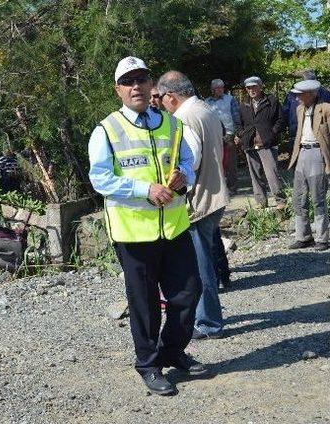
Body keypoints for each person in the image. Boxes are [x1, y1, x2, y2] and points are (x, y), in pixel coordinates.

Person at [88, 56, 204, 396]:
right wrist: (144, 190)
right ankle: (149, 365)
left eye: (141, 79)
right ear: (118, 90)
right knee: (145, 303)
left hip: (174, 226)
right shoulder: (106, 130)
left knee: (188, 293)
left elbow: (187, 162)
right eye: (128, 81)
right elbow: (100, 178)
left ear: (151, 83)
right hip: (133, 232)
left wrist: (184, 178)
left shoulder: (171, 123)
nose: (136, 86)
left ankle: (173, 350)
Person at [158, 71, 229, 340]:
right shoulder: (206, 109)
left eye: (162, 98)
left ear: (171, 96)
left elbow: (191, 162)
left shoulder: (184, 118)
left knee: (201, 265)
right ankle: (208, 317)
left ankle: (209, 322)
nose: (161, 103)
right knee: (206, 259)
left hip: (200, 199)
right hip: (216, 194)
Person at [287, 80, 330, 251]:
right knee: (299, 198)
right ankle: (303, 236)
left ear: (311, 94)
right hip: (302, 153)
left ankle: (322, 238)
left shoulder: (326, 108)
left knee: (318, 197)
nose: (297, 98)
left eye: (300, 95)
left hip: (318, 153)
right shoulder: (300, 109)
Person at [235, 76, 286, 209]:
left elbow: (280, 120)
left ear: (260, 86)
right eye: (248, 88)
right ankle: (261, 202)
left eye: (254, 87)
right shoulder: (244, 104)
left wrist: (272, 133)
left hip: (267, 144)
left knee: (272, 173)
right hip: (250, 144)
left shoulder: (271, 101)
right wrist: (242, 134)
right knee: (255, 175)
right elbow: (238, 123)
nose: (251, 90)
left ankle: (280, 200)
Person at [206, 79, 241, 194]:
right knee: (216, 163)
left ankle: (232, 188)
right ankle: (220, 188)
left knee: (231, 163)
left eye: (221, 87)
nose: (220, 89)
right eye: (217, 87)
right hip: (213, 137)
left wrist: (237, 134)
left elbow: (236, 117)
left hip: (228, 135)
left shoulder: (230, 99)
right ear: (212, 90)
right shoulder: (207, 102)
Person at [282, 70, 330, 149]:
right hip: (296, 133)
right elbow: (285, 113)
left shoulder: (325, 94)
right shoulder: (292, 94)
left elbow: (285, 112)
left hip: (316, 137)